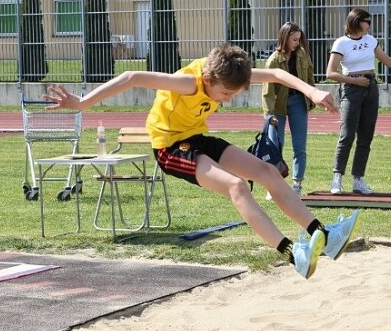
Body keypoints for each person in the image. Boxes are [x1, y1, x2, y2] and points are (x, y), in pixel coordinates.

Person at [42, 44, 360, 279]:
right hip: (170, 148)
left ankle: (326, 237)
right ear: (208, 78)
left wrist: (314, 92)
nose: (228, 99)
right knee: (237, 186)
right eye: (225, 93)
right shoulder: (189, 83)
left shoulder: (226, 73)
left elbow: (277, 73)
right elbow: (131, 76)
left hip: (196, 137)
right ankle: (294, 255)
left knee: (266, 170)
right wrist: (82, 102)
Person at [326, 8, 391, 195]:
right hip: (351, 89)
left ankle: (358, 179)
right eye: (367, 21)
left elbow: (387, 60)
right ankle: (337, 177)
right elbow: (330, 73)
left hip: (371, 88)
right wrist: (355, 81)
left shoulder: (370, 41)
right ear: (356, 21)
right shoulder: (341, 43)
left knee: (366, 136)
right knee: (347, 135)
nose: (370, 25)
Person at [262, 22, 316, 199]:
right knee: (275, 146)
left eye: (299, 39)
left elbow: (309, 78)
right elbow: (268, 91)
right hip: (278, 106)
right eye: (294, 39)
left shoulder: (302, 55)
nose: (297, 43)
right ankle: (273, 186)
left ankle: (297, 185)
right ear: (284, 38)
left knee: (299, 146)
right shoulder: (273, 61)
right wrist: (269, 115)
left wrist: (312, 98)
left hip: (298, 102)